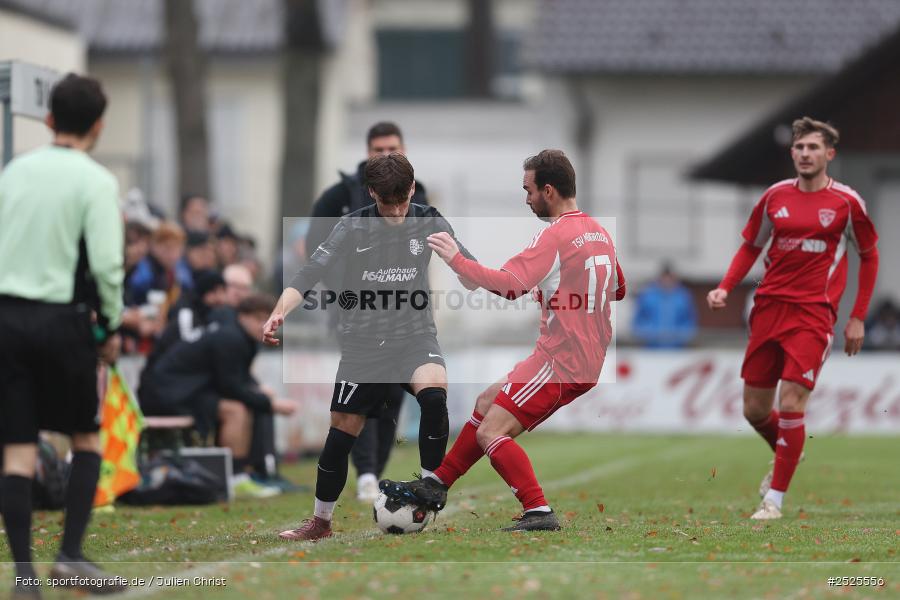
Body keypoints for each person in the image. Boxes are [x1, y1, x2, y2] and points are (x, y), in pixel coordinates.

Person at [380, 149, 626, 532]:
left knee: (491, 431)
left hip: (563, 360)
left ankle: (538, 510)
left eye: (528, 190)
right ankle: (436, 484)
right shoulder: (600, 231)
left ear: (548, 190)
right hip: (576, 354)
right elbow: (619, 288)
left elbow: (510, 286)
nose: (526, 199)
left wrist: (456, 260)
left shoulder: (555, 235)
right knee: (485, 402)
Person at [264, 153, 474, 540]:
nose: (396, 212)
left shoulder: (429, 218)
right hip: (364, 344)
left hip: (415, 335)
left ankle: (429, 489)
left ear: (412, 189)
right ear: (371, 192)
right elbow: (310, 272)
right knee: (342, 432)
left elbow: (470, 272)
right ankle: (320, 522)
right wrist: (279, 313)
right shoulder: (351, 227)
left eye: (402, 201)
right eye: (386, 203)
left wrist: (463, 265)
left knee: (434, 396)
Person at [706, 117, 879, 520]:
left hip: (814, 314)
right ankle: (789, 450)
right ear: (792, 153)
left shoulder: (847, 203)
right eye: (800, 148)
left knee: (793, 401)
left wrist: (857, 317)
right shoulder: (774, 197)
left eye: (813, 148)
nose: (805, 154)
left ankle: (774, 501)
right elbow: (750, 246)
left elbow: (869, 256)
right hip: (768, 309)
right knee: (754, 410)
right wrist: (725, 287)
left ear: (829, 155)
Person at [0, 73, 127, 596]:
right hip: (62, 322)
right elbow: (107, 265)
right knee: (85, 436)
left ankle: (24, 576)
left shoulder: (13, 171)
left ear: (49, 119)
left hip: (7, 319)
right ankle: (70, 556)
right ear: (97, 126)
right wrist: (111, 325)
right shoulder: (95, 180)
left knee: (16, 451)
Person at [305, 121, 430, 502]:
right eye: (379, 148)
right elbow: (316, 253)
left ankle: (376, 467)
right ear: (366, 151)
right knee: (362, 390)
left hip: (406, 314)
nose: (386, 154)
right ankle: (366, 474)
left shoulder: (418, 194)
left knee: (394, 393)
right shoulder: (337, 198)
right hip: (356, 315)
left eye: (393, 147)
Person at [138, 294, 297, 498]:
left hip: (183, 391)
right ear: (243, 316)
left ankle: (243, 473)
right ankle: (236, 477)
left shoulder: (237, 334)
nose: (264, 325)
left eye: (268, 319)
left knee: (242, 406)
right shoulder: (230, 337)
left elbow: (235, 380)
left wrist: (258, 391)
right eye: (258, 318)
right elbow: (230, 386)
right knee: (236, 411)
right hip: (168, 394)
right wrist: (270, 404)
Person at [631, 263, 697, 348]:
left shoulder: (684, 297)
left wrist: (679, 335)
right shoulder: (647, 296)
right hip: (650, 350)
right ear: (660, 278)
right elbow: (637, 321)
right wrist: (650, 333)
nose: (667, 281)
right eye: (665, 278)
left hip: (677, 350)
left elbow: (690, 321)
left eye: (670, 278)